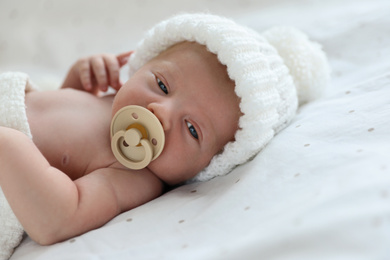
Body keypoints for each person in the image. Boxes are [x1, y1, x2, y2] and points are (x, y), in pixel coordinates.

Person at [0, 13, 330, 246]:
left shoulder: (133, 175)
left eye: (192, 129)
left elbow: (57, 218)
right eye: (161, 83)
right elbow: (54, 135)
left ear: (210, 165)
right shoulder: (112, 99)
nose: (160, 113)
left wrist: (8, 143)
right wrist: (75, 83)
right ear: (141, 65)